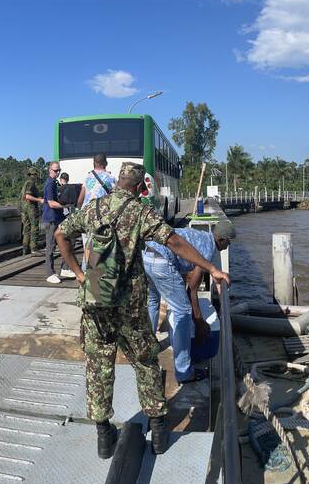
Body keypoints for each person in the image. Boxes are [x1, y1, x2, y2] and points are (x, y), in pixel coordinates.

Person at [54, 162, 230, 459]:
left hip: (95, 300)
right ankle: (159, 431)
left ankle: (103, 436)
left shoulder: (95, 208)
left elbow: (61, 234)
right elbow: (174, 241)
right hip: (128, 307)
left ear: (119, 180)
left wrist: (78, 273)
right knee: (146, 363)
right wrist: (212, 267)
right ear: (137, 187)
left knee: (98, 368)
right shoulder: (139, 211)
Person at [142, 223, 235, 383]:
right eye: (228, 241)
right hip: (162, 259)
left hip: (147, 254)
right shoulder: (207, 250)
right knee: (183, 311)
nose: (229, 245)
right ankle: (184, 372)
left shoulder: (202, 237)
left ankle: (148, 344)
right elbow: (192, 289)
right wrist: (199, 321)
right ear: (220, 240)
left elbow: (187, 280)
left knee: (153, 299)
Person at [42, 161, 70, 283]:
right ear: (49, 170)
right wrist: (65, 205)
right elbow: (51, 203)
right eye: (55, 170)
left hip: (58, 218)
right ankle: (49, 273)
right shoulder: (49, 184)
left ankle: (65, 268)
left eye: (59, 170)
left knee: (66, 241)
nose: (57, 172)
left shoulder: (55, 182)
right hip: (51, 218)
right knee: (51, 246)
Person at [19, 167, 43, 255]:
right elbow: (28, 196)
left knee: (27, 228)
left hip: (24, 208)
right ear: (35, 175)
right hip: (31, 207)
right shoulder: (31, 183)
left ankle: (25, 249)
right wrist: (39, 200)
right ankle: (34, 248)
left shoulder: (26, 183)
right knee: (34, 227)